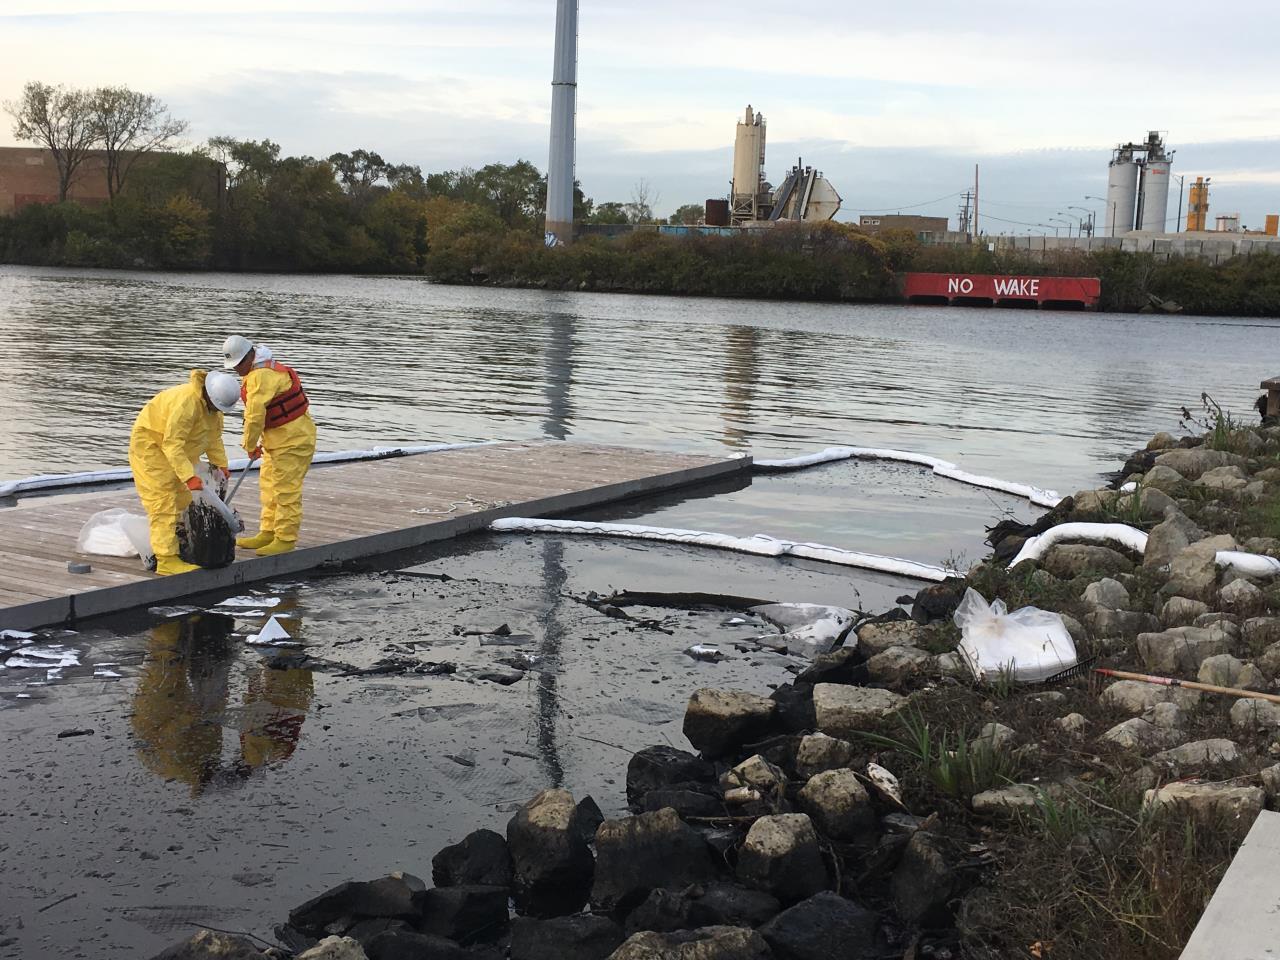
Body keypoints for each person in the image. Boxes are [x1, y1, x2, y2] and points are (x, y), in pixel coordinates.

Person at [129, 369, 240, 575]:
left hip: (182, 450)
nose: (219, 410)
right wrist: (189, 476)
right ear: (210, 395)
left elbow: (213, 438)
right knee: (163, 502)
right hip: (151, 447)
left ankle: (178, 544)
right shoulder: (186, 404)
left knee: (182, 500)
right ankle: (166, 559)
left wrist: (221, 464)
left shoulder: (213, 410)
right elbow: (171, 444)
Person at [222, 335, 317, 556]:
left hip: (293, 441)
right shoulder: (260, 371)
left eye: (238, 365)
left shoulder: (261, 376)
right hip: (277, 440)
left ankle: (285, 538)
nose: (236, 370)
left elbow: (255, 415)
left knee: (286, 490)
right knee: (269, 487)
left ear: (249, 357)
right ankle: (268, 531)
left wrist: (249, 444)